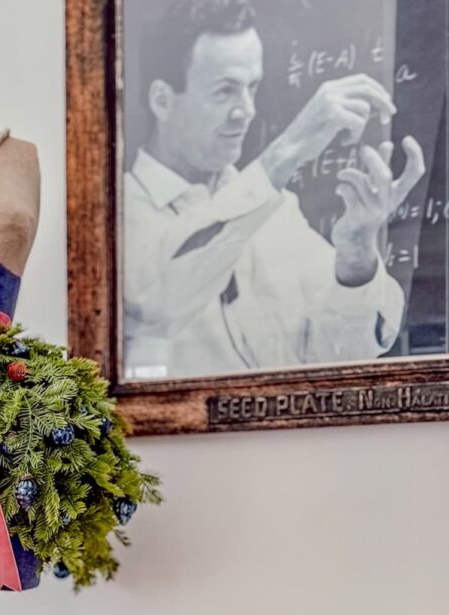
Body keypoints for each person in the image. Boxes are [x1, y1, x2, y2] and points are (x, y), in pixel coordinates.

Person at [123, 0, 426, 379]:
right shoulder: (118, 214)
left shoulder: (278, 212)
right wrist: (290, 148)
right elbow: (155, 304)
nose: (246, 110)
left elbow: (338, 353)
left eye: (252, 87)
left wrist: (356, 255)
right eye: (224, 92)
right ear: (162, 100)